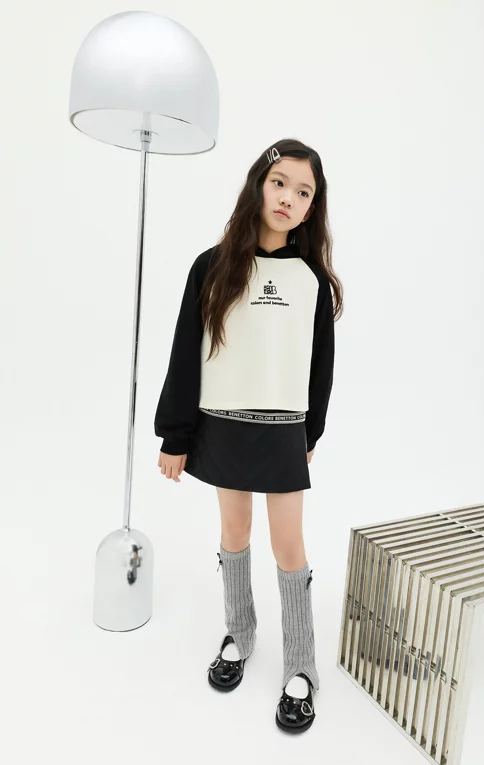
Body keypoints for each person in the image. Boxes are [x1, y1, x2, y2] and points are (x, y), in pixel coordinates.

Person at [154, 138, 343, 734]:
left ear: (311, 208)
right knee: (234, 531)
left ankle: (301, 666)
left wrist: (311, 431)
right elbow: (187, 351)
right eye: (280, 183)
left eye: (303, 192)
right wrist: (175, 435)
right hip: (222, 425)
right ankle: (239, 633)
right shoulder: (211, 267)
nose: (288, 198)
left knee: (289, 545)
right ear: (259, 185)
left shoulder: (311, 280)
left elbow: (320, 366)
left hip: (284, 430)